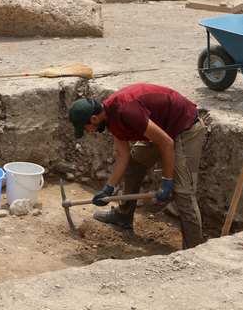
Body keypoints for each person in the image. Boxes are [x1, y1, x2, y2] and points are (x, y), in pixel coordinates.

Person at [68, 83, 206, 249]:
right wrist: (108, 189)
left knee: (183, 192)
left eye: (86, 128)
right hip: (163, 130)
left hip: (185, 127)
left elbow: (166, 142)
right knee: (134, 166)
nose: (88, 132)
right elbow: (123, 155)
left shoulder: (126, 111)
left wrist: (167, 180)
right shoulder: (110, 117)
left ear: (94, 118)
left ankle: (194, 250)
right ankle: (123, 216)